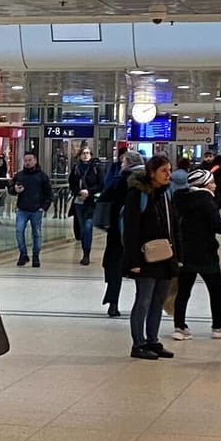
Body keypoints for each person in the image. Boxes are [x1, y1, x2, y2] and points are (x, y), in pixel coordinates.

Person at [123, 154, 179, 361]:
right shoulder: (137, 194)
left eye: (169, 171)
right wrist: (133, 262)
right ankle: (138, 343)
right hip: (144, 257)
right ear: (151, 172)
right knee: (143, 300)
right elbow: (130, 229)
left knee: (158, 300)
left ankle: (152, 340)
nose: (168, 175)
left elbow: (173, 226)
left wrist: (177, 255)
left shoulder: (166, 194)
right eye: (164, 171)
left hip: (165, 256)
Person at [170, 169, 221, 341]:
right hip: (206, 253)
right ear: (204, 184)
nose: (214, 186)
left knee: (183, 292)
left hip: (186, 253)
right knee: (215, 291)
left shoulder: (179, 199)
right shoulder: (206, 201)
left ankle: (179, 326)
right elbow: (217, 227)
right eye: (212, 182)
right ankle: (218, 326)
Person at [98, 150, 142, 317]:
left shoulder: (119, 181)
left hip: (118, 231)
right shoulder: (147, 181)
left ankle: (113, 302)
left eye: (123, 162)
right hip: (141, 232)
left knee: (114, 266)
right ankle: (142, 304)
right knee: (143, 270)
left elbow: (104, 199)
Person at [11, 152, 53, 267]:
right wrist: (15, 190)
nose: (27, 163)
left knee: (37, 233)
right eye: (25, 160)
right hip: (22, 209)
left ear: (35, 161)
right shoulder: (19, 175)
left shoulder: (42, 176)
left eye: (30, 160)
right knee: (19, 231)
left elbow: (49, 194)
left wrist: (43, 208)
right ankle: (23, 254)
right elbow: (11, 188)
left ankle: (36, 256)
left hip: (36, 210)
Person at [67, 146, 106, 265]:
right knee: (82, 227)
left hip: (91, 202)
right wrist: (78, 192)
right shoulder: (76, 168)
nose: (85, 155)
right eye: (83, 153)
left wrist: (89, 192)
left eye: (88, 153)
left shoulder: (96, 168)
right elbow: (72, 183)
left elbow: (101, 184)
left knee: (88, 227)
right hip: (79, 201)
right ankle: (85, 249)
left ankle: (86, 254)